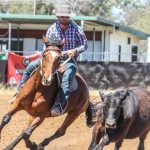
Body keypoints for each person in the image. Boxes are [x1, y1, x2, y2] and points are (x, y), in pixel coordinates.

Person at [10, 3, 88, 116]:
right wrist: (45, 57)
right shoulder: (52, 29)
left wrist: (75, 50)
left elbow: (85, 44)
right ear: (58, 17)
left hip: (68, 60)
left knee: (66, 78)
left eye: (67, 16)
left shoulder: (77, 29)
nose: (65, 18)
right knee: (31, 66)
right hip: (51, 58)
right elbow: (45, 47)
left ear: (70, 16)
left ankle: (60, 104)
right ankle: (19, 92)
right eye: (62, 16)